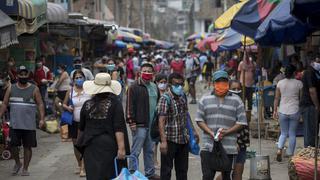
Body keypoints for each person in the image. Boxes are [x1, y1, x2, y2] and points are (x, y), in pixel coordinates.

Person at [196, 70, 247, 180]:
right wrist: (210, 132)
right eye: (218, 81)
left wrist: (227, 132)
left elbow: (242, 122)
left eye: (224, 81)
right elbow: (199, 120)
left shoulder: (237, 100)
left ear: (228, 82)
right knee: (207, 176)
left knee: (226, 177)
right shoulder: (205, 99)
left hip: (228, 147)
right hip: (208, 146)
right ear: (213, 83)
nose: (221, 83)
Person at [80, 73, 129, 180]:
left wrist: (81, 147)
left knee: (94, 175)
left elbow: (82, 128)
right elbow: (119, 127)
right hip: (109, 146)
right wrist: (121, 148)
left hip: (90, 146)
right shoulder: (115, 104)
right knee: (110, 174)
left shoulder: (86, 105)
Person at [0, 66, 45, 176]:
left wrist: (42, 119)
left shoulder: (34, 89)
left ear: (28, 75)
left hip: (29, 125)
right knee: (12, 145)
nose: (23, 76)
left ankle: (25, 168)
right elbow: (5, 103)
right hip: (15, 124)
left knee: (27, 146)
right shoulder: (11, 88)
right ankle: (17, 163)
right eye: (21, 74)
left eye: (25, 74)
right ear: (17, 76)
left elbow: (40, 104)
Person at [157, 72, 199, 180]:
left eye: (181, 84)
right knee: (166, 171)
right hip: (170, 140)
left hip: (183, 140)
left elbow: (186, 115)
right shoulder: (165, 99)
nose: (179, 87)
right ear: (170, 85)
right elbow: (161, 121)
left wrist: (193, 131)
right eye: (176, 84)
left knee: (182, 171)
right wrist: (163, 142)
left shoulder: (182, 97)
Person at [126, 63, 160, 180]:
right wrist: (131, 122)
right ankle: (132, 173)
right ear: (140, 72)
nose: (146, 73)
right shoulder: (133, 87)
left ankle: (150, 173)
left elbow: (158, 104)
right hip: (139, 124)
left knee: (149, 150)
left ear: (153, 74)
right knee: (136, 150)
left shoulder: (154, 86)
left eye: (149, 71)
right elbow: (129, 105)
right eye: (144, 70)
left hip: (152, 125)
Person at [63, 70, 91, 177]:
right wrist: (68, 107)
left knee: (84, 144)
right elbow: (64, 104)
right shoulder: (70, 91)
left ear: (84, 78)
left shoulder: (89, 91)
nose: (79, 79)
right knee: (76, 145)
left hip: (87, 122)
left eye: (81, 77)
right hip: (73, 122)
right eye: (77, 78)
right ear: (73, 79)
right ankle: (79, 164)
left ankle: (83, 168)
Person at [273, 65, 303, 161]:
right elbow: (301, 99)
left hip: (282, 110)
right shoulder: (299, 84)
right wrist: (301, 112)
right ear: (294, 73)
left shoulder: (280, 83)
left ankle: (279, 149)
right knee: (292, 133)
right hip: (295, 110)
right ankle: (290, 154)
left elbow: (276, 98)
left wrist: (274, 110)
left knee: (283, 133)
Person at [300, 55, 320, 148]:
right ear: (312, 62)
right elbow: (312, 91)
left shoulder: (316, 73)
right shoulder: (309, 73)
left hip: (313, 106)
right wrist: (317, 105)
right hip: (309, 105)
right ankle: (309, 155)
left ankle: (313, 151)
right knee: (310, 132)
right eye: (318, 62)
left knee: (313, 130)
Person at [153, 74, 168, 168]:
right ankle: (154, 160)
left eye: (165, 82)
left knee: (164, 141)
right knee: (155, 143)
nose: (163, 84)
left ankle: (165, 161)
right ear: (156, 83)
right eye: (161, 82)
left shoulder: (168, 93)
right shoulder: (154, 93)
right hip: (155, 121)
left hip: (166, 121)